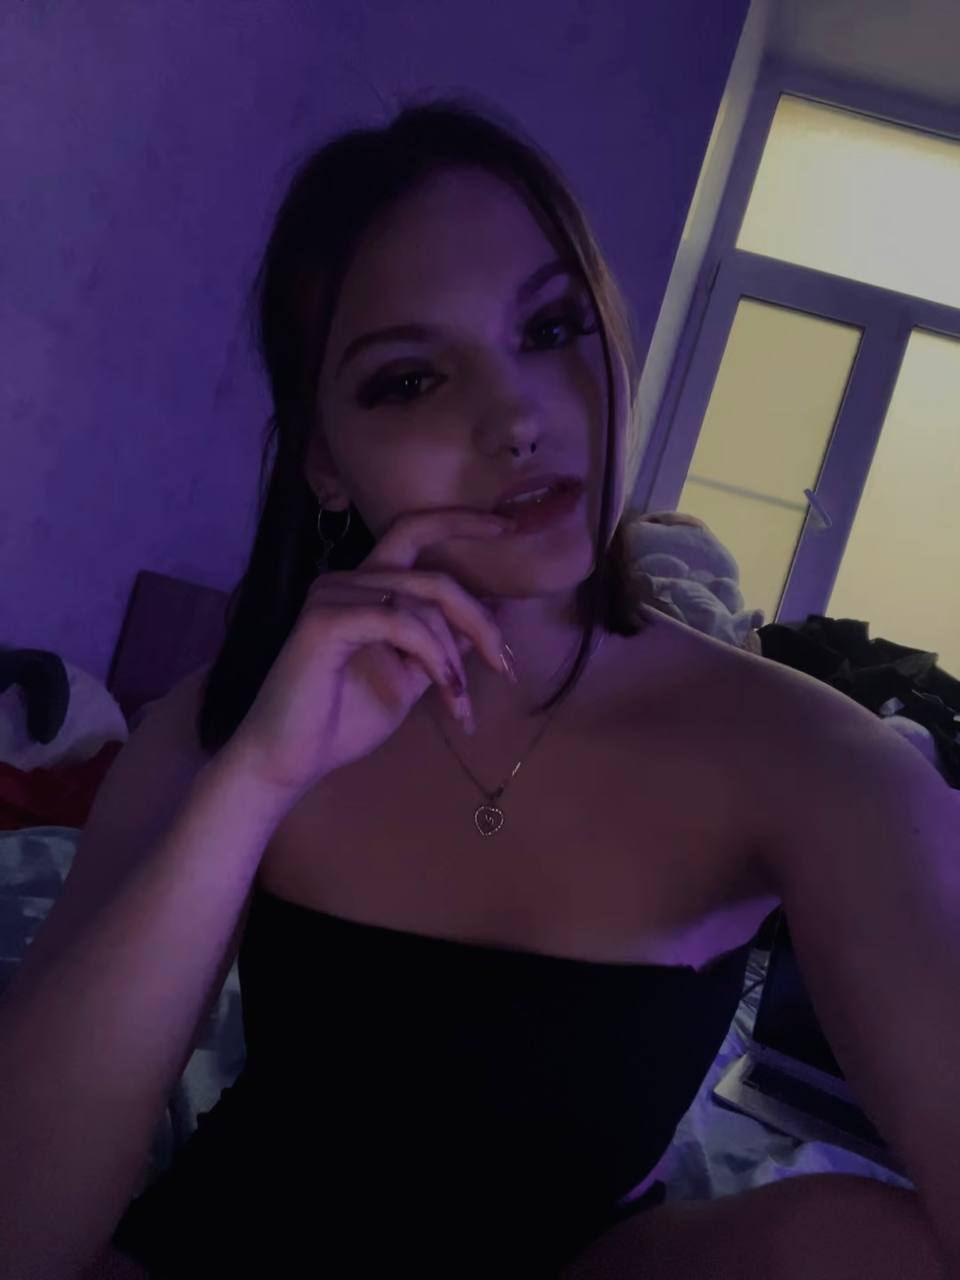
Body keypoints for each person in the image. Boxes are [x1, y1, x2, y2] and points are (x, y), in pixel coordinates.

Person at [1, 95, 956, 1280]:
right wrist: (254, 781)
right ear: (323, 459)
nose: (515, 420)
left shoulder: (817, 759)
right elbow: (20, 1229)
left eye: (551, 327)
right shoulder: (232, 711)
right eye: (408, 381)